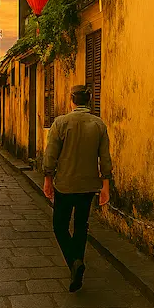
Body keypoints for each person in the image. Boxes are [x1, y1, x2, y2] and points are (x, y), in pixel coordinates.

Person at [43, 85, 112, 292]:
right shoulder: (99, 124)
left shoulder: (61, 123)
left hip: (65, 184)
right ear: (89, 101)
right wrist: (105, 186)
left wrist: (48, 178)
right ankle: (77, 263)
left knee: (60, 226)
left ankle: (74, 261)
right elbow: (105, 158)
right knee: (81, 225)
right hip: (89, 186)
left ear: (72, 100)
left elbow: (50, 155)